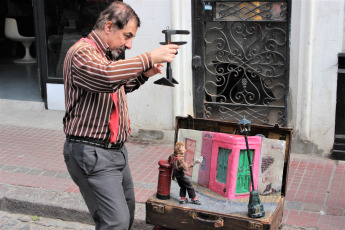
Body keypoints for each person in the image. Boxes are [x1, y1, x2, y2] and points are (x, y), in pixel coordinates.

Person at [62, 1, 179, 229]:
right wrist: (149, 57)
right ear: (108, 27)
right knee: (116, 222)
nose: (129, 44)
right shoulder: (81, 52)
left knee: (126, 214)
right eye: (127, 36)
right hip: (91, 152)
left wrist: (144, 74)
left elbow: (118, 86)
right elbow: (105, 77)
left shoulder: (107, 55)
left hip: (115, 151)